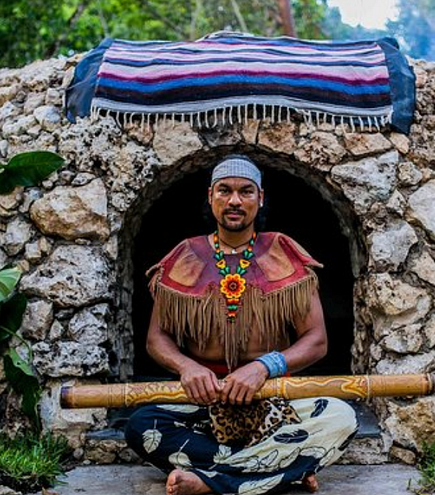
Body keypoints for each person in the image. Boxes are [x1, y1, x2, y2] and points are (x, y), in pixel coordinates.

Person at [125, 154, 358, 495]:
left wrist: (264, 367)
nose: (235, 200)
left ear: (260, 198)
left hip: (274, 401)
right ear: (210, 197)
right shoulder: (183, 256)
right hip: (203, 404)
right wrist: (187, 367)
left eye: (246, 191)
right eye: (225, 191)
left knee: (341, 417)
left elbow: (317, 341)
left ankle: (212, 481)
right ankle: (282, 470)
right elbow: (156, 339)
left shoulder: (285, 253)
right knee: (141, 426)